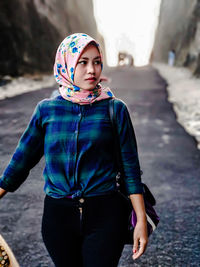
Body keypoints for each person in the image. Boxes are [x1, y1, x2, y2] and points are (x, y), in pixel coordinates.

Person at [0, 33, 148, 267]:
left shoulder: (115, 109)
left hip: (105, 216)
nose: (92, 70)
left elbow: (131, 169)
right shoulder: (46, 111)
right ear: (66, 64)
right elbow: (22, 159)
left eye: (97, 61)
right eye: (83, 62)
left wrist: (140, 219)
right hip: (58, 219)